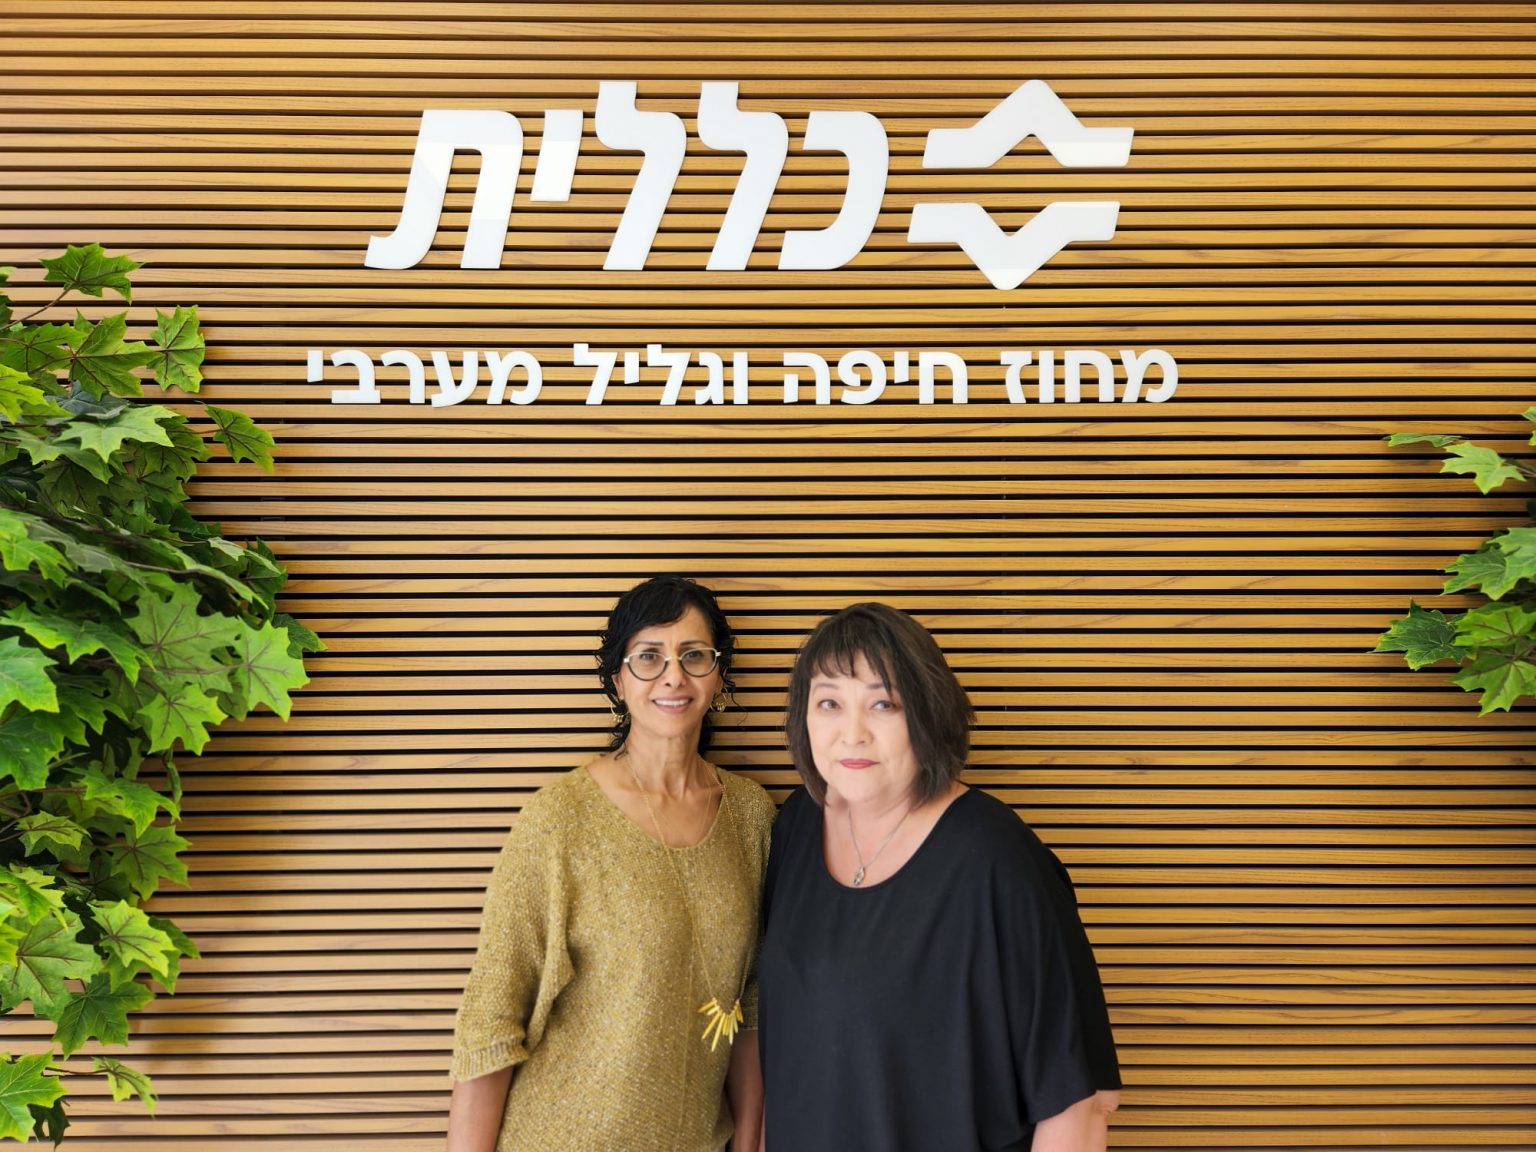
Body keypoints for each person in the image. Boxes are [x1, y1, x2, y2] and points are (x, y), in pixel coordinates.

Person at [758, 602, 1121, 1152]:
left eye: (883, 703)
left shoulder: (997, 859)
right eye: (829, 702)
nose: (852, 734)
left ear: (926, 713)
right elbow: (788, 1053)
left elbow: (1079, 1103)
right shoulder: (796, 828)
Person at [446, 576, 775, 1152]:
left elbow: (751, 1004)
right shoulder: (560, 819)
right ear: (618, 680)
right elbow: (492, 1018)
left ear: (718, 674)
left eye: (693, 655)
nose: (673, 676)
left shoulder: (751, 817)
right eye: (648, 657)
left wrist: (749, 1142)